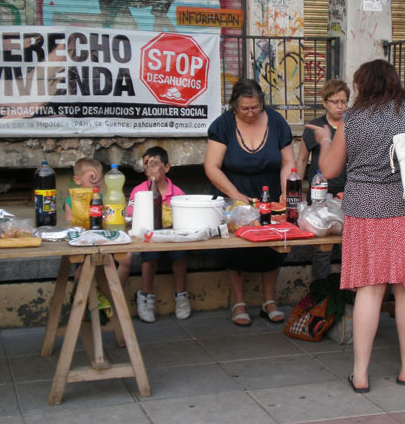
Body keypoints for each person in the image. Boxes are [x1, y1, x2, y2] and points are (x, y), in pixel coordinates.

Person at [307, 59, 405, 392]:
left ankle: (361, 373)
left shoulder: (351, 119)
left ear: (362, 85)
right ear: (394, 81)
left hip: (364, 212)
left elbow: (330, 168)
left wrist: (326, 139)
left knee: (369, 289)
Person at [204, 78, 295, 326]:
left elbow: (288, 162)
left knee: (274, 247)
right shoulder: (222, 126)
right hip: (232, 192)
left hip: (269, 193)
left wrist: (287, 192)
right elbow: (211, 167)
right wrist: (235, 195)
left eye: (255, 107)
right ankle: (239, 302)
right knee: (235, 250)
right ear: (234, 105)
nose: (250, 112)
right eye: (244, 108)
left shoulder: (276, 122)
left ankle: (269, 300)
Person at [127, 146, 190, 323]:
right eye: (147, 165)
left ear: (166, 167)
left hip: (173, 236)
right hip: (149, 236)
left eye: (155, 164)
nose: (151, 169)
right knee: (150, 252)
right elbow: (130, 215)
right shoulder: (139, 191)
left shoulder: (177, 193)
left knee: (180, 253)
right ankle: (146, 296)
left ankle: (181, 295)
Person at [295, 79, 349, 280]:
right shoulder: (315, 127)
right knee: (321, 249)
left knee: (349, 248)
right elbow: (301, 159)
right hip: (319, 196)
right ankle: (319, 295)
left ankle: (348, 296)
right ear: (325, 102)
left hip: (347, 194)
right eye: (335, 102)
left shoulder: (351, 126)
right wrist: (295, 193)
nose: (340, 107)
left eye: (344, 102)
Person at [64, 158, 132, 287]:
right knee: (85, 266)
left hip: (104, 240)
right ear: (77, 180)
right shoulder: (71, 201)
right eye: (92, 177)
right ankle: (86, 297)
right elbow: (70, 227)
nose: (97, 182)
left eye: (100, 178)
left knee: (127, 259)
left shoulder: (106, 198)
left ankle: (113, 295)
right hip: (83, 243)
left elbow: (110, 220)